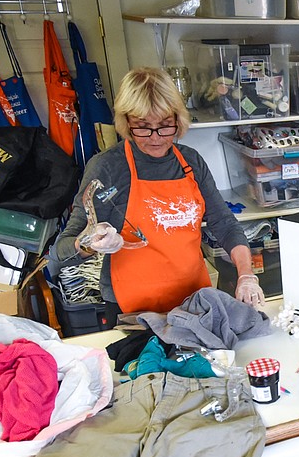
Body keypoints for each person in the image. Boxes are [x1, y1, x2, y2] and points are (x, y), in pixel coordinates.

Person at [51, 67, 262, 324]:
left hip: (194, 302)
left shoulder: (191, 161)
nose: (155, 138)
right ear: (126, 123)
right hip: (132, 311)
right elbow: (61, 252)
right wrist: (88, 244)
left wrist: (246, 275)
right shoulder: (107, 168)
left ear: (178, 120)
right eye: (142, 127)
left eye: (164, 126)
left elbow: (225, 225)